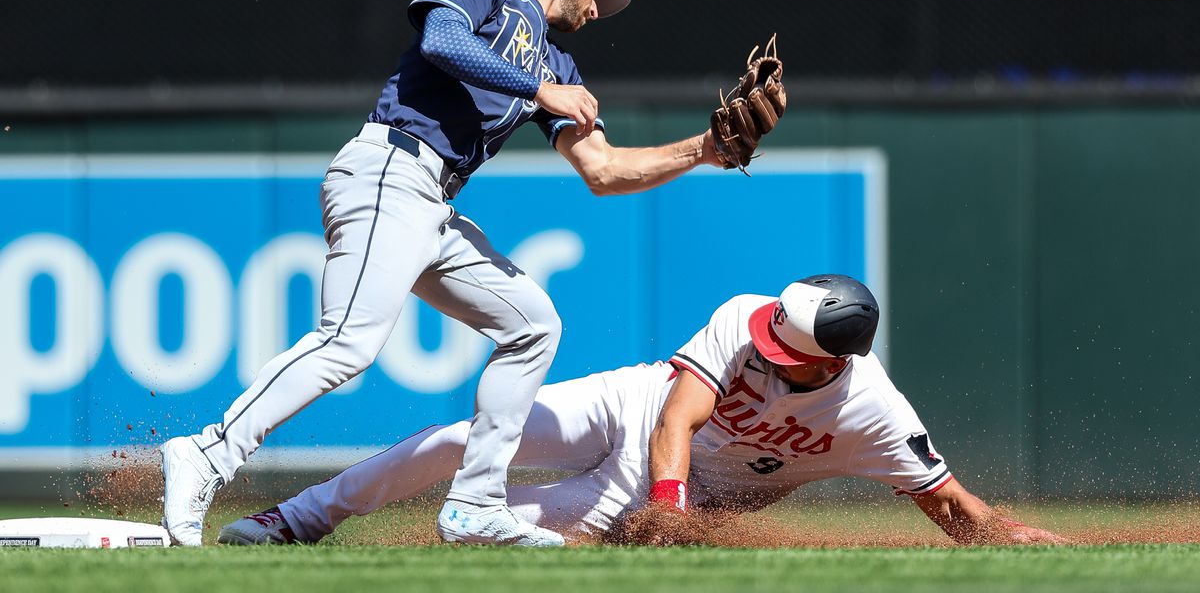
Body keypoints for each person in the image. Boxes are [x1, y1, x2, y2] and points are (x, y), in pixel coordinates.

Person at [161, 0, 729, 547]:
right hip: (389, 168)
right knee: (348, 342)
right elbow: (442, 40)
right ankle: (206, 453)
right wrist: (541, 89)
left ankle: (476, 503)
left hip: (433, 203)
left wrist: (704, 149)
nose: (599, 8)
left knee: (533, 326)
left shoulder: (557, 61)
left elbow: (603, 168)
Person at [216, 275, 1065, 547]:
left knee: (494, 530)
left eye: (787, 346)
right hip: (641, 417)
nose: (766, 342)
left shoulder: (873, 413)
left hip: (652, 490)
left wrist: (1024, 545)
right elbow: (676, 420)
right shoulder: (749, 313)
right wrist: (672, 511)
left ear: (834, 360)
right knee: (459, 439)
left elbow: (949, 503)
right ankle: (294, 518)